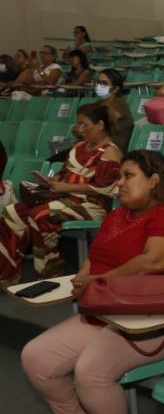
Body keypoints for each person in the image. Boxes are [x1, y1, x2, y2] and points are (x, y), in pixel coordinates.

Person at [20, 150, 164, 414]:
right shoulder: (118, 216)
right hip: (109, 312)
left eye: (127, 175)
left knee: (91, 371)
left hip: (161, 321)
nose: (117, 183)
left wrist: (99, 282)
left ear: (155, 180)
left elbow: (155, 263)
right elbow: (98, 256)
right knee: (37, 357)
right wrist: (83, 277)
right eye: (118, 176)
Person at [0, 104, 123, 285]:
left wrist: (64, 187)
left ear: (100, 125)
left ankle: (50, 275)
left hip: (91, 205)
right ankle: (7, 273)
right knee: (12, 212)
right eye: (78, 125)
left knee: (41, 215)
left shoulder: (110, 152)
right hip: (64, 199)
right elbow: (63, 174)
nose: (80, 130)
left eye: (85, 125)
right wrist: (51, 182)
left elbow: (103, 188)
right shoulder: (79, 147)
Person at [94, 68, 134, 152]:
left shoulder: (120, 103)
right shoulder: (97, 103)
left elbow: (109, 127)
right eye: (99, 82)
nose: (100, 86)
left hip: (115, 146)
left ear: (115, 89)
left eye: (104, 83)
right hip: (98, 143)